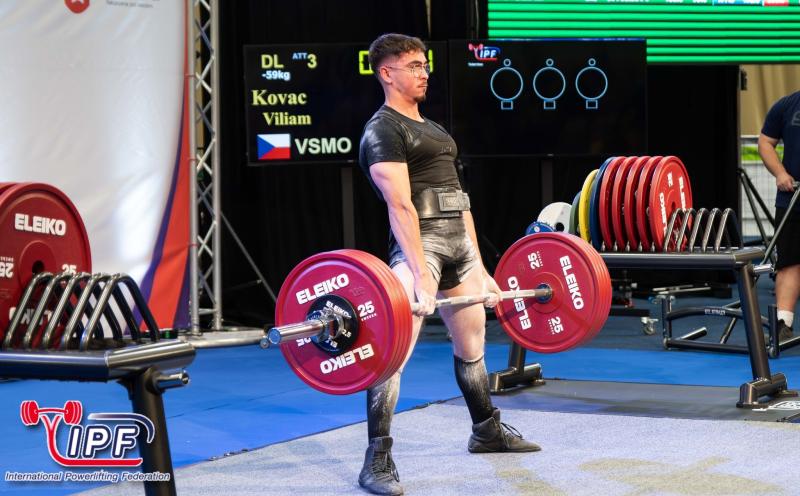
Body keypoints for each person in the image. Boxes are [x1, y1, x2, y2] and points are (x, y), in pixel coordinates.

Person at [356, 33, 540, 496]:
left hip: (459, 247)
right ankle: (377, 458)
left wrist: (480, 267)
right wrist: (421, 276)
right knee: (393, 353)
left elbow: (460, 202)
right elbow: (400, 206)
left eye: (425, 65)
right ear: (387, 73)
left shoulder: (435, 130)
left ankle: (486, 430)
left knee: (472, 344)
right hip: (421, 249)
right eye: (414, 66)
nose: (424, 73)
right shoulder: (383, 130)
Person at [759, 90, 800, 342]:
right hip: (792, 199)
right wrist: (780, 173)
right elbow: (765, 142)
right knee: (788, 262)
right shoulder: (787, 105)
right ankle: (783, 324)